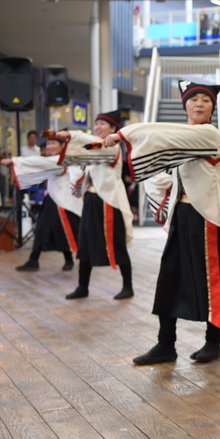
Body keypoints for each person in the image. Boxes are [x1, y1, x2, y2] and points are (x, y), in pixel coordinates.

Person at [101, 81, 220, 365]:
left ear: (212, 108)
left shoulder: (211, 135)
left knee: (212, 282)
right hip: (183, 217)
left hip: (210, 219)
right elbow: (173, 172)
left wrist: (124, 133)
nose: (199, 103)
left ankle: (213, 341)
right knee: (168, 278)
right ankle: (165, 344)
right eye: (193, 99)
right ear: (184, 106)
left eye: (205, 100)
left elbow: (163, 135)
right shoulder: (183, 138)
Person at [56, 110, 134, 300]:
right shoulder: (93, 146)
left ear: (113, 129)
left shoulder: (112, 146)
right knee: (85, 244)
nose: (98, 127)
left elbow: (89, 145)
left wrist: (72, 135)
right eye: (96, 123)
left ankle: (128, 286)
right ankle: (83, 287)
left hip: (109, 202)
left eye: (102, 124)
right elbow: (84, 152)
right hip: (91, 201)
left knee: (116, 244)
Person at [1, 135, 83, 272]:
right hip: (53, 198)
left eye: (53, 143)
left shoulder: (64, 159)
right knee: (41, 229)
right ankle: (35, 260)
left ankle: (68, 259)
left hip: (64, 202)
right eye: (48, 144)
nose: (49, 146)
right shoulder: (58, 159)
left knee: (62, 230)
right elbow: (41, 164)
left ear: (63, 145)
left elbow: (38, 162)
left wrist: (13, 161)